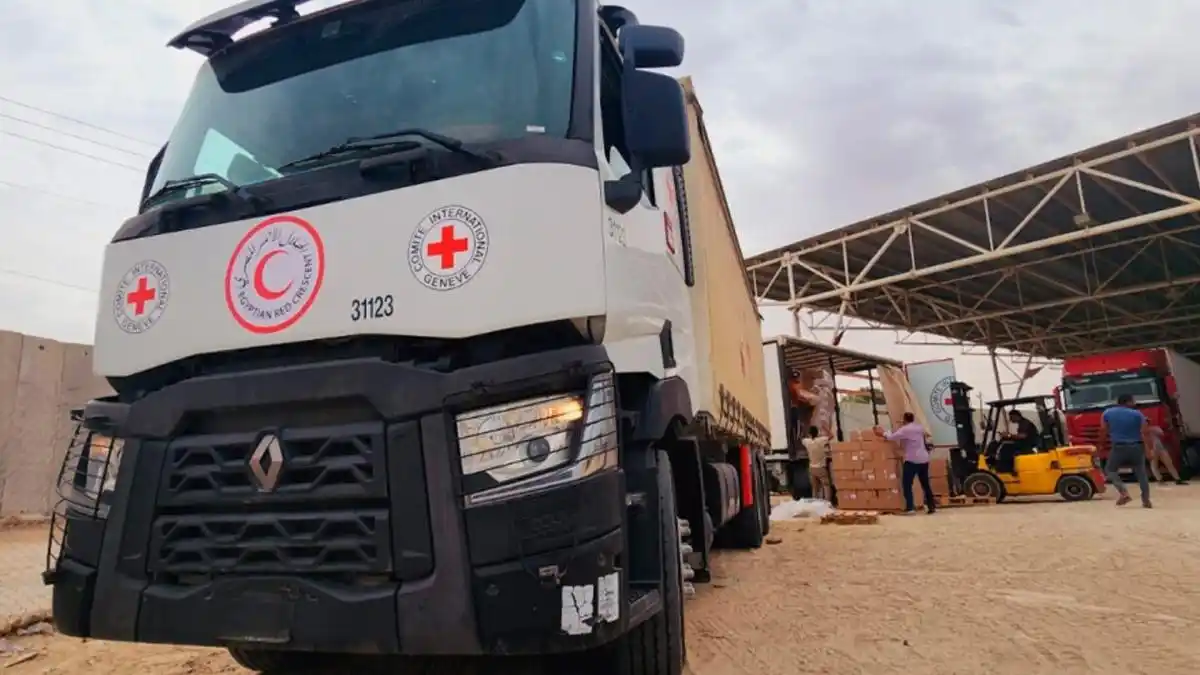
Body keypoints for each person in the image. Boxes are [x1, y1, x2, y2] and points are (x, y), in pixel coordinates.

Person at [877, 412, 936, 514]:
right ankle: (932, 506)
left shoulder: (905, 430)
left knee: (907, 484)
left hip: (912, 460)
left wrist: (883, 433)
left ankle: (910, 508)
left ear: (904, 419)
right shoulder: (919, 427)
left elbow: (891, 437)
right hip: (924, 458)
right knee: (925, 483)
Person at [1100, 393, 1153, 508]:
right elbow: (1145, 432)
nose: (1134, 403)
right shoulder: (1138, 414)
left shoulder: (1107, 413)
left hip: (1119, 447)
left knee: (1110, 470)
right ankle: (1146, 500)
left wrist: (1101, 445)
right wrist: (1148, 450)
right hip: (1137, 447)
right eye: (1133, 401)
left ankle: (1123, 492)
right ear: (1128, 402)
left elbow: (1103, 430)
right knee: (1141, 473)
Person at [995, 409, 1039, 473]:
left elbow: (1023, 436)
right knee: (1005, 443)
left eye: (1011, 417)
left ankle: (1005, 469)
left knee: (1006, 448)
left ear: (1016, 416)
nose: (1010, 419)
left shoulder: (1024, 423)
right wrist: (1008, 436)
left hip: (1027, 445)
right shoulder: (1022, 423)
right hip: (1025, 443)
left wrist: (1009, 435)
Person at [801, 426, 832, 500]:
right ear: (817, 433)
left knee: (815, 488)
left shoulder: (807, 441)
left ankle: (815, 503)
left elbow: (802, 438)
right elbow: (831, 436)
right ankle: (827, 502)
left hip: (812, 468)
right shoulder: (821, 440)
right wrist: (825, 428)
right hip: (821, 468)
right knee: (826, 486)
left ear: (809, 434)